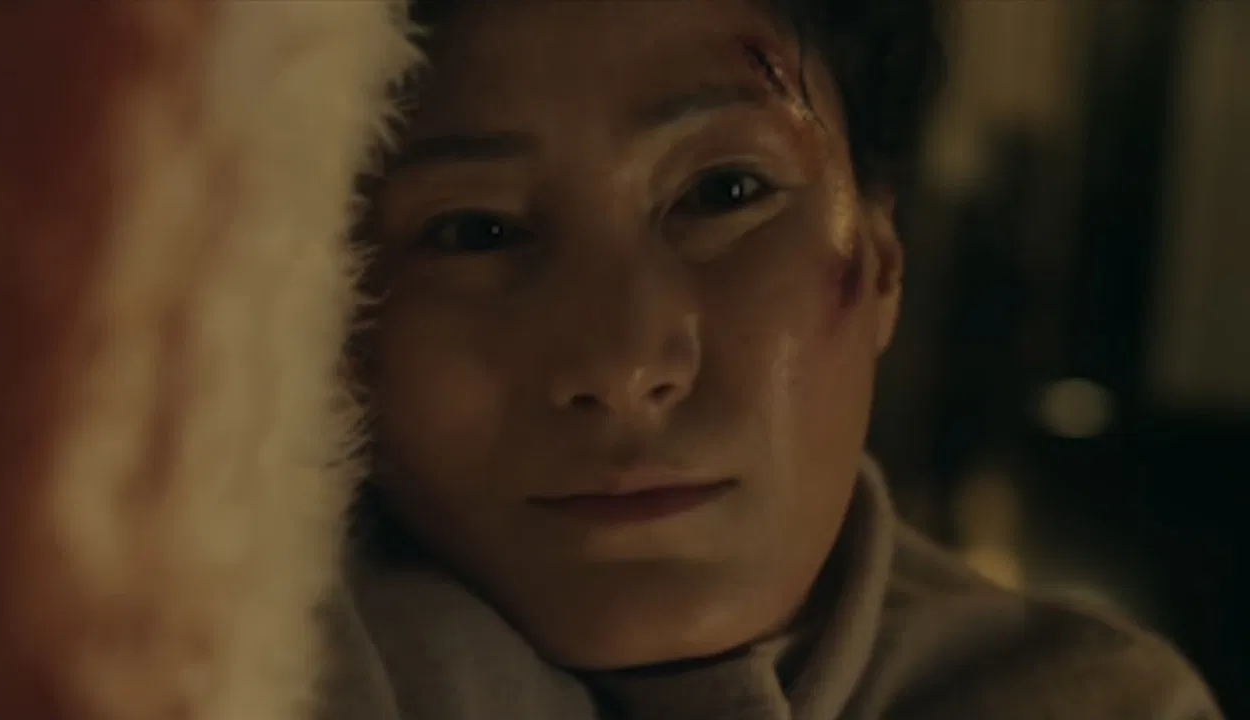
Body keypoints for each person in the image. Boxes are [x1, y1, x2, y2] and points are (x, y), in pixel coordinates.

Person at [329, 1, 1226, 718]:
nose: (624, 366)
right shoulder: (280, 660)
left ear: (881, 256)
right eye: (477, 232)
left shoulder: (1085, 702)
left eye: (725, 191)